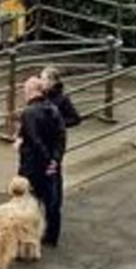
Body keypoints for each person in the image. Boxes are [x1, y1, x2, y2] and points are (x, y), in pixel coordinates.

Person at [16, 75, 66, 247]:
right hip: (53, 164)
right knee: (53, 202)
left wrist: (21, 145)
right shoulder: (53, 108)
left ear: (31, 91)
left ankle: (28, 238)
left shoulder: (28, 113)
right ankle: (52, 237)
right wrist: (55, 160)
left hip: (33, 165)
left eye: (24, 90)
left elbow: (35, 141)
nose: (23, 94)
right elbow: (61, 137)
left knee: (28, 202)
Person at [37, 66, 81, 223]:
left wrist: (58, 122)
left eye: (43, 78)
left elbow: (75, 118)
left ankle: (54, 211)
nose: (40, 81)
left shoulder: (62, 99)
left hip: (55, 144)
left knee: (54, 177)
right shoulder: (41, 95)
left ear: (52, 81)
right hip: (41, 143)